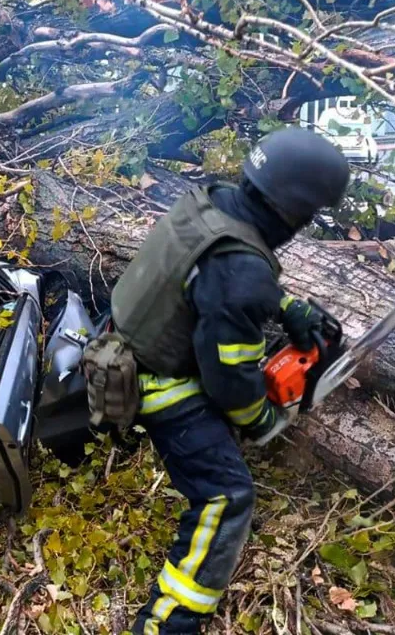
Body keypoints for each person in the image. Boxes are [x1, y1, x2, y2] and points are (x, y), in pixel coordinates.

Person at [109, 127, 350, 634]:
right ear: (293, 210)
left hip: (129, 338)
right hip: (155, 380)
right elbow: (228, 385)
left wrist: (285, 306)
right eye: (305, 218)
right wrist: (263, 419)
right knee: (226, 496)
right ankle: (167, 623)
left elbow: (215, 280)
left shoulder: (212, 201)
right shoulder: (241, 272)